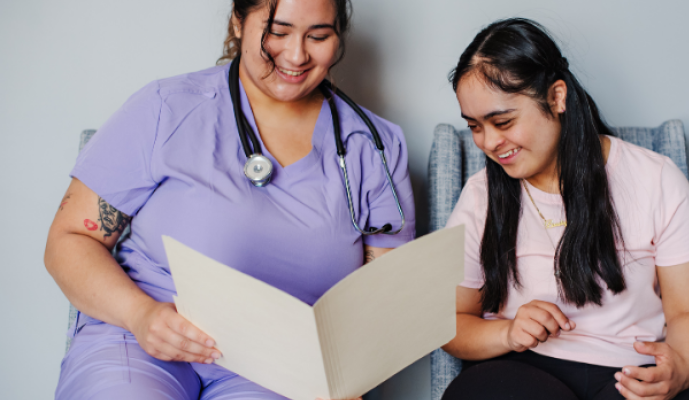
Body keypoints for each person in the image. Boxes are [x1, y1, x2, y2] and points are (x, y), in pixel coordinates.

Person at [44, 0, 415, 398]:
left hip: (281, 368)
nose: (296, 55)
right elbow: (69, 241)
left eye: (318, 36)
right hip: (142, 339)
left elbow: (380, 298)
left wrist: (346, 378)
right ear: (239, 23)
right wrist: (140, 315)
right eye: (278, 31)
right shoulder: (166, 108)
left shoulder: (374, 147)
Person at [440, 19, 689, 400]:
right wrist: (507, 332)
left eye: (502, 121)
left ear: (556, 97)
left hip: (628, 372)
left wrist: (681, 366)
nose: (489, 143)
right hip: (520, 370)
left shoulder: (655, 179)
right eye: (475, 126)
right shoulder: (481, 196)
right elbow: (451, 324)